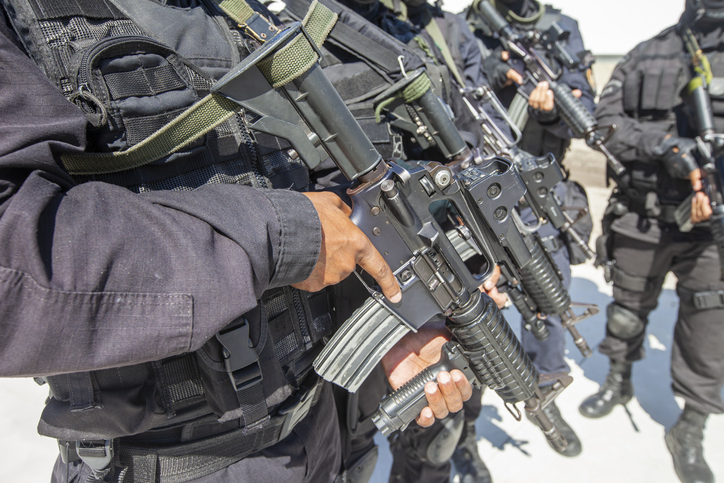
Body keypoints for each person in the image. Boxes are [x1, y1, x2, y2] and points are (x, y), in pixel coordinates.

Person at [0, 0, 474, 481]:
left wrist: (397, 319)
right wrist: (281, 237)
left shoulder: (233, 10)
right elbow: (14, 263)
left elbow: (307, 187)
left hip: (316, 429)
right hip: (170, 463)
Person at [577, 2, 724, 482]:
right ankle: (619, 383)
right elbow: (603, 124)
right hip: (643, 216)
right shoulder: (647, 53)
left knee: (708, 325)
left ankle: (690, 426)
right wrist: (663, 146)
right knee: (626, 309)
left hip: (711, 226)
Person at [464, 0, 598, 459]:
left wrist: (549, 110)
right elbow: (448, 100)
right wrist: (491, 74)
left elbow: (585, 104)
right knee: (473, 315)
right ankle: (464, 426)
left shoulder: (562, 28)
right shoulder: (466, 26)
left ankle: (545, 390)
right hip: (475, 191)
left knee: (550, 300)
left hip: (540, 190)